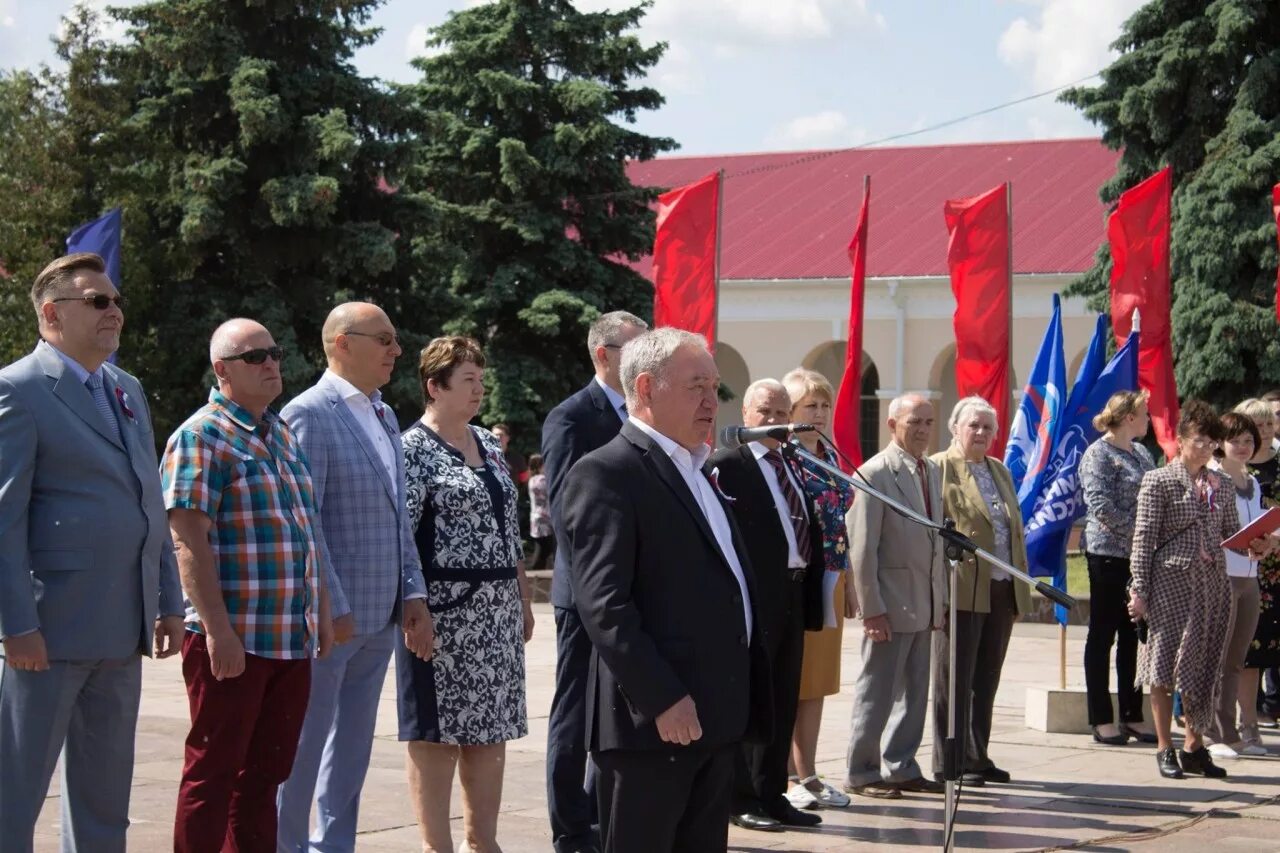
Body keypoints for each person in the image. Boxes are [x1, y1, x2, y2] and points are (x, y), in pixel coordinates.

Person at [0, 252, 184, 853]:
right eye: (98, 301)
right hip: (46, 632)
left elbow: (147, 500)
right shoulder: (18, 389)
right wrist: (15, 626)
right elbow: (5, 519)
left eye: (116, 301)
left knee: (105, 802)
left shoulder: (125, 389)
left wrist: (168, 600)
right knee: (14, 795)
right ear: (52, 313)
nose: (115, 312)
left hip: (119, 629)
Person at [561, 328, 771, 853]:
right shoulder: (607, 472)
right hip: (652, 728)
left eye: (715, 386)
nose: (711, 400)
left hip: (713, 720)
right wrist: (663, 698)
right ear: (649, 388)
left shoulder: (701, 471)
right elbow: (605, 605)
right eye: (696, 385)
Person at [163, 318, 334, 852]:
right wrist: (217, 632)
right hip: (234, 640)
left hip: (289, 638)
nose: (270, 364)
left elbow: (307, 532)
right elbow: (188, 543)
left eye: (275, 353)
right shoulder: (200, 436)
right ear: (221, 370)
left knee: (265, 779)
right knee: (212, 775)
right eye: (255, 355)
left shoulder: (280, 431)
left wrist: (322, 612)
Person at [276, 303, 433, 851]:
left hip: (383, 614)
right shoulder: (309, 413)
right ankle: (288, 843)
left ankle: (333, 844)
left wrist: (412, 591)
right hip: (330, 622)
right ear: (343, 343)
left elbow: (399, 516)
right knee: (302, 745)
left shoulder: (385, 414)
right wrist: (330, 603)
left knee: (352, 749)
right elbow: (305, 521)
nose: (396, 350)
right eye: (384, 340)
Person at [397, 336, 533, 853]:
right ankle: (439, 846)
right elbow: (403, 536)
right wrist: (414, 608)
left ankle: (485, 842)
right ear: (435, 386)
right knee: (435, 733)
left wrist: (521, 597)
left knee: (489, 730)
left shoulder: (489, 443)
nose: (479, 390)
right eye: (468, 381)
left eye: (481, 379)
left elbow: (509, 530)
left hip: (495, 611)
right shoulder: (412, 450)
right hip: (443, 612)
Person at [541, 310, 647, 853]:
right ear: (603, 355)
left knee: (615, 712)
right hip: (586, 593)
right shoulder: (572, 417)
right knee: (575, 710)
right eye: (635, 349)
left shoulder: (644, 415)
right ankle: (571, 826)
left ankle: (605, 812)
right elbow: (565, 511)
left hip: (633, 593)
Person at [709, 379, 823, 832]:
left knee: (782, 697)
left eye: (781, 413)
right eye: (765, 413)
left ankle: (773, 792)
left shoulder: (793, 461)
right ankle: (741, 798)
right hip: (755, 598)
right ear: (746, 417)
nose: (775, 422)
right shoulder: (727, 465)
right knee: (751, 698)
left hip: (794, 593)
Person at [1127, 400, 1260, 780]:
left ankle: (1194, 746)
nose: (1205, 449)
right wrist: (1139, 589)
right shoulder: (1159, 480)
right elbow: (1143, 540)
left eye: (1210, 443)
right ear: (1182, 439)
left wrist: (1256, 542)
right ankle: (1164, 747)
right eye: (1198, 441)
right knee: (1164, 665)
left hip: (1212, 584)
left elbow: (1230, 535)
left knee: (1204, 666)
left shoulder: (1219, 483)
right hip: (1170, 583)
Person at [844, 394, 947, 799]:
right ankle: (862, 770)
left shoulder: (931, 470)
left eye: (928, 421)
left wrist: (938, 602)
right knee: (878, 691)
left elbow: (935, 541)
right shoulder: (875, 473)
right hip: (889, 604)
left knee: (915, 691)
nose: (922, 429)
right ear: (891, 425)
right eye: (913, 422)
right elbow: (862, 550)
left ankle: (902, 764)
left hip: (924, 601)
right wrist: (872, 610)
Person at [931, 396, 1032, 786]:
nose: (981, 433)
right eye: (973, 425)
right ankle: (949, 761)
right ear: (955, 427)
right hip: (961, 587)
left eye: (988, 427)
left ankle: (978, 755)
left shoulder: (1000, 470)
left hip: (1002, 588)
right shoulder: (939, 468)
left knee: (986, 677)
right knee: (954, 678)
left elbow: (1011, 528)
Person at [779, 367, 855, 811]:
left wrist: (851, 583)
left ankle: (808, 772)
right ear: (790, 412)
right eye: (811, 405)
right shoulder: (783, 457)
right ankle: (788, 774)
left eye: (824, 405)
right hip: (798, 583)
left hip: (832, 575)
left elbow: (842, 523)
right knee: (795, 679)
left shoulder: (829, 454)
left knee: (820, 682)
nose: (821, 413)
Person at [1078, 390, 1158, 746]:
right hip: (1107, 555)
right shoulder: (1098, 454)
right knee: (1103, 634)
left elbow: (1156, 495)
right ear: (1129, 418)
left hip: (1140, 557)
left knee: (1133, 636)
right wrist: (1139, 532)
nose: (1149, 420)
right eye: (1144, 414)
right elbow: (1100, 506)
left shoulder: (1141, 453)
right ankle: (1100, 717)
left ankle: (1132, 713)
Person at [1205, 412, 1270, 759]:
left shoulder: (1253, 481)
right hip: (1221, 575)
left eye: (1249, 441)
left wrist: (1266, 541)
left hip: (1250, 576)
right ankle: (1210, 732)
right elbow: (1209, 530)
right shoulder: (1212, 479)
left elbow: (1255, 525)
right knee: (1216, 655)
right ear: (1220, 443)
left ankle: (1230, 731)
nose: (1243, 447)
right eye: (1236, 441)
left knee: (1237, 659)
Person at [1237, 398, 1280, 729]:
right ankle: (1245, 719)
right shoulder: (1237, 470)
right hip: (1247, 566)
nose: (1264, 431)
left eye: (1268, 424)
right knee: (1248, 646)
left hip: (1278, 563)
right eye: (1257, 425)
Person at [528, 454, 555, 572]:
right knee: (551, 549)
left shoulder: (532, 480)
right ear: (540, 466)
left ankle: (536, 573)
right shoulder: (542, 480)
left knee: (542, 549)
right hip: (546, 519)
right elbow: (552, 494)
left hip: (536, 519)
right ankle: (535, 573)